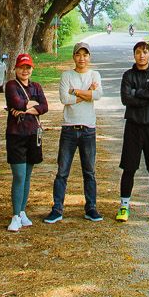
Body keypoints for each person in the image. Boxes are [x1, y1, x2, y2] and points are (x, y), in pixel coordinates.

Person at [43, 41, 102, 222]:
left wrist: (75, 92)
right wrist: (86, 93)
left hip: (88, 129)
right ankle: (57, 208)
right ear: (74, 57)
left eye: (85, 55)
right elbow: (64, 98)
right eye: (78, 55)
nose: (81, 58)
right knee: (62, 171)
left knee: (89, 171)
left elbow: (98, 95)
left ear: (89, 57)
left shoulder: (95, 74)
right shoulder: (67, 75)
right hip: (69, 128)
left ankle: (91, 207)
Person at [117, 39, 149, 221]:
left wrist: (137, 92)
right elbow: (125, 99)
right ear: (134, 55)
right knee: (129, 168)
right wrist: (147, 95)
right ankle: (124, 207)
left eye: (145, 52)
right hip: (133, 126)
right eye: (138, 52)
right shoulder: (128, 75)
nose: (141, 55)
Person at [3, 51, 48, 230]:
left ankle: (22, 211)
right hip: (16, 135)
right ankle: (15, 214)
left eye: (28, 67)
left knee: (28, 175)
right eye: (22, 67)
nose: (25, 71)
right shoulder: (11, 85)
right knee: (19, 175)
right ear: (16, 68)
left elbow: (44, 107)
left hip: (33, 134)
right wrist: (30, 104)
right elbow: (16, 103)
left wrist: (26, 107)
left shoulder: (36, 86)